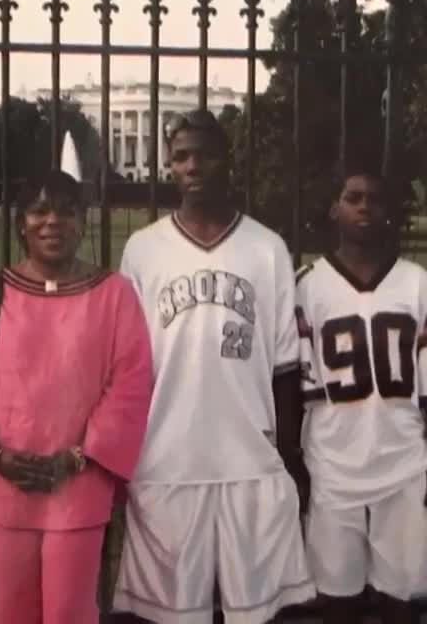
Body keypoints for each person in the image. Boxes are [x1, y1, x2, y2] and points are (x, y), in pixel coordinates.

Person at [112, 109, 315, 624]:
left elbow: (286, 367)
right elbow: (128, 367)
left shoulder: (267, 248)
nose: (193, 166)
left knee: (257, 609)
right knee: (172, 612)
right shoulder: (143, 250)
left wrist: (289, 453)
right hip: (167, 455)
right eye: (181, 156)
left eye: (205, 153)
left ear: (228, 160)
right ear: (169, 167)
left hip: (249, 453)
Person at [0, 169, 153, 624]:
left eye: (67, 211)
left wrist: (76, 458)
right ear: (20, 223)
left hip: (79, 481)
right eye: (39, 210)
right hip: (4, 483)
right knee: (12, 612)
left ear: (84, 222)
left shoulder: (115, 295)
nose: (53, 221)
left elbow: (130, 384)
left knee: (69, 611)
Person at [296, 157, 427, 624]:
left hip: (404, 462)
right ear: (334, 208)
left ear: (389, 209)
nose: (364, 207)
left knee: (401, 602)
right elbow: (297, 387)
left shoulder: (418, 284)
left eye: (374, 198)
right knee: (337, 602)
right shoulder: (307, 288)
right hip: (333, 463)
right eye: (353, 197)